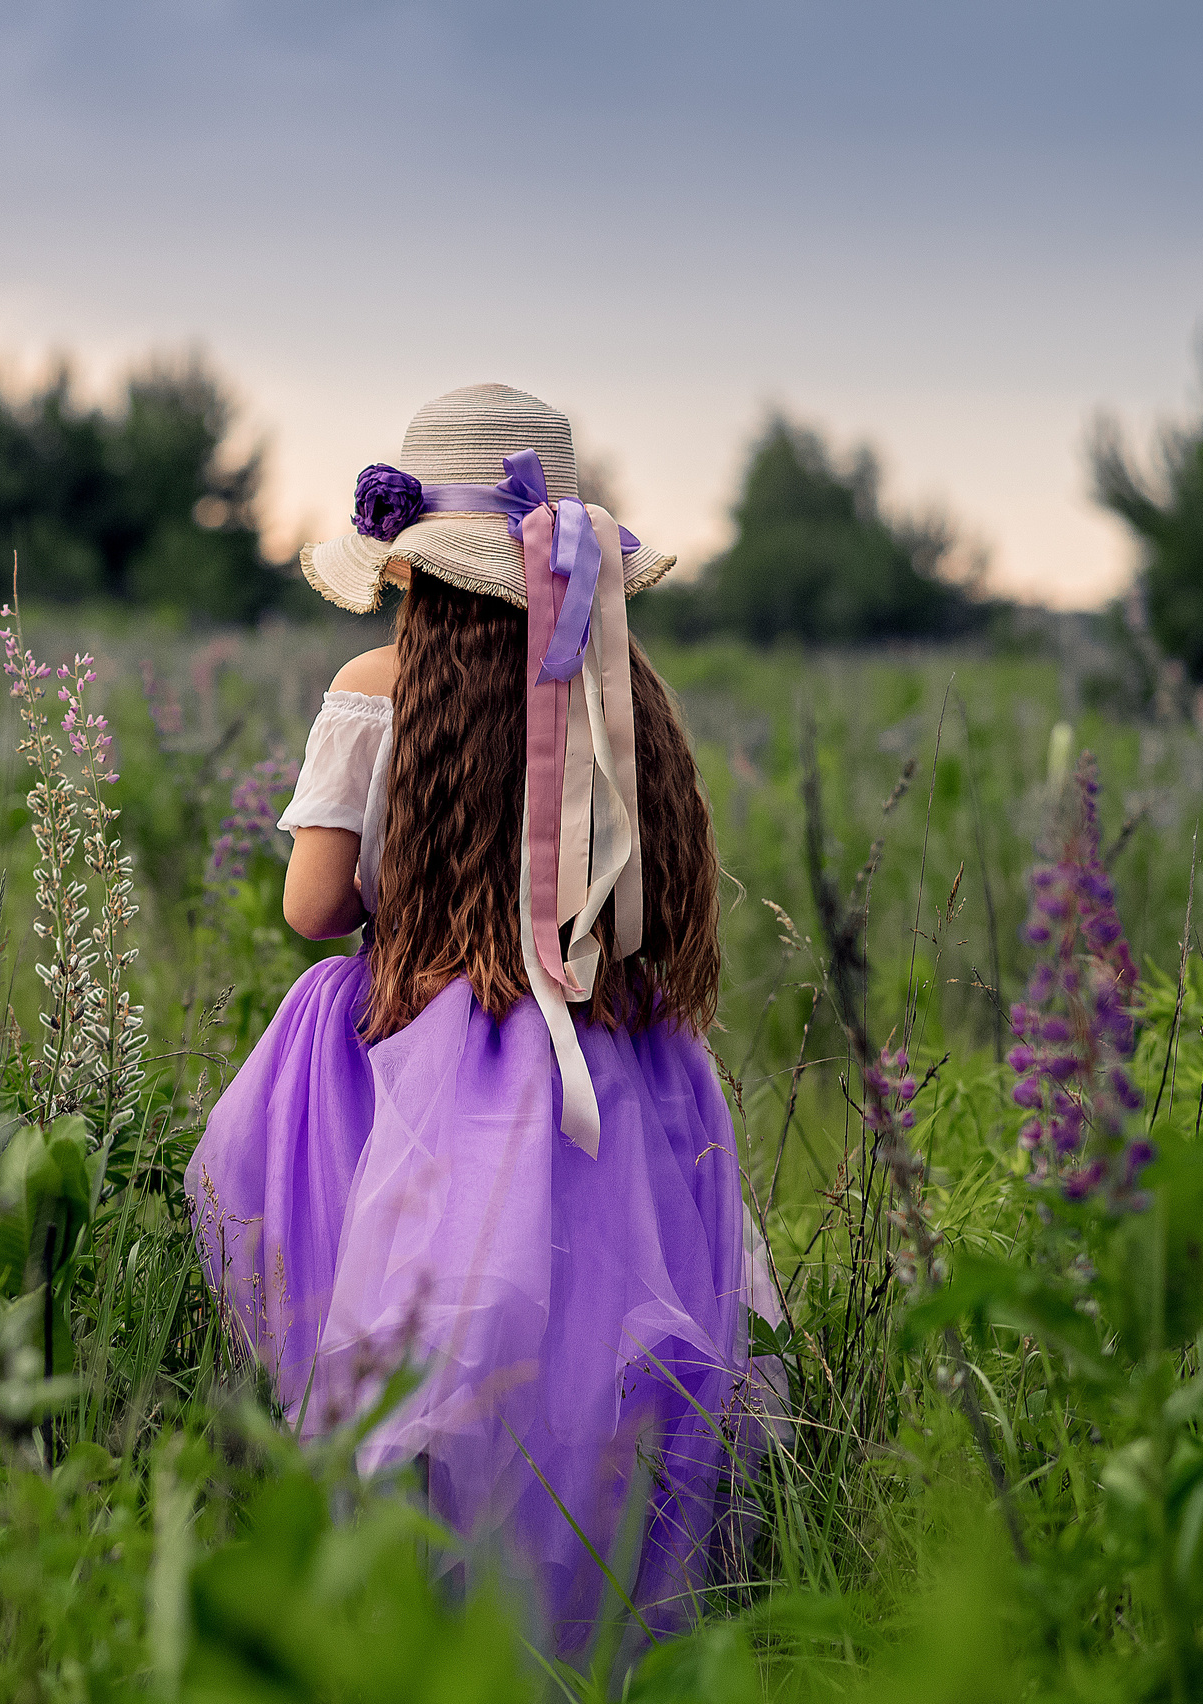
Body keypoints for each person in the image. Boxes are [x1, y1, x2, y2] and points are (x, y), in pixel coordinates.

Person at [187, 383, 778, 1661]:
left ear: (408, 566)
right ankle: (598, 1626)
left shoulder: (374, 684)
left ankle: (420, 1627)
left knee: (429, 1351)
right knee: (591, 1368)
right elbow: (641, 897)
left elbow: (313, 908)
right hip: (608, 1059)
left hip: (419, 1062)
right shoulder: (622, 699)